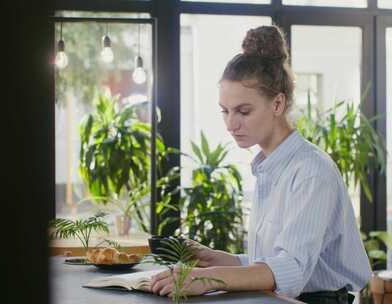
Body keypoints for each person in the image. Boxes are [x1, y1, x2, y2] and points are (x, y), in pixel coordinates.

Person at [150, 25, 372, 304]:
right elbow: (272, 263)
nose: (231, 124)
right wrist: (217, 259)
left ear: (277, 104)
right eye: (225, 111)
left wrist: (206, 279)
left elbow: (291, 271)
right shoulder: (270, 167)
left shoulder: (311, 171)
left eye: (243, 111)